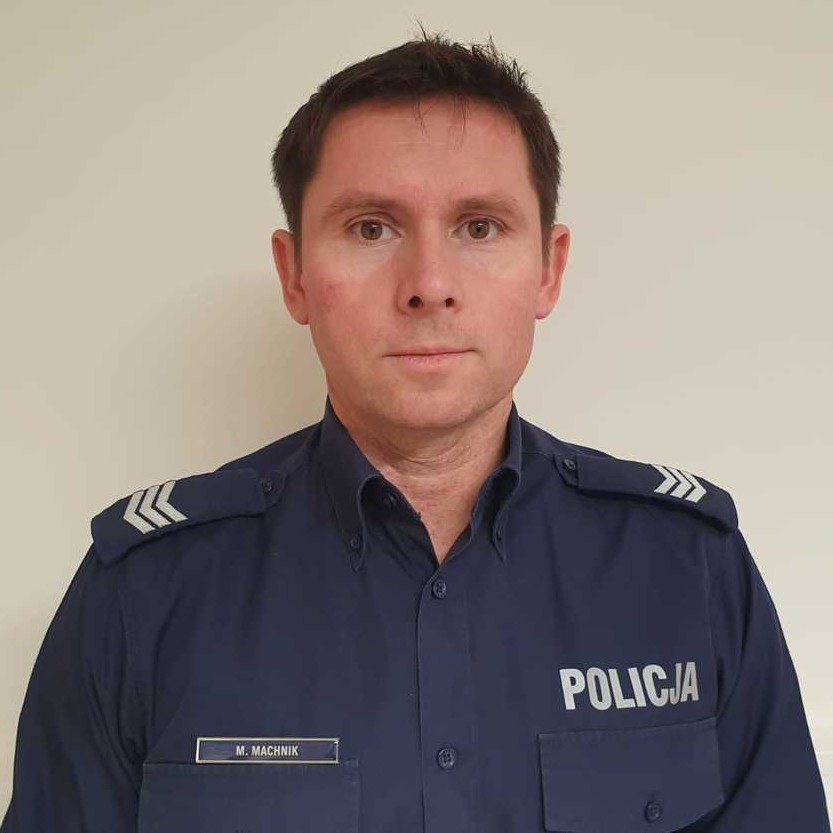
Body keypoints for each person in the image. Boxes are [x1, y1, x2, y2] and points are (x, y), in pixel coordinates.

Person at [2, 29, 829, 833]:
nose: (429, 284)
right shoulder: (142, 592)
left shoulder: (687, 567)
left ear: (548, 267)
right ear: (294, 275)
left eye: (479, 226)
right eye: (371, 227)